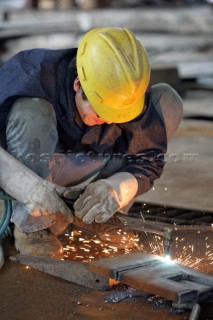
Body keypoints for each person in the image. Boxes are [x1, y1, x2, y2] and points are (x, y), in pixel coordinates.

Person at [0, 27, 183, 259]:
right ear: (78, 85)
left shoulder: (126, 90)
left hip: (91, 160)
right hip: (30, 165)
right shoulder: (28, 75)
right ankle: (34, 227)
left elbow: (148, 159)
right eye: (101, 112)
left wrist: (116, 188)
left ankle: (98, 213)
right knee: (33, 110)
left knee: (166, 101)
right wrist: (29, 189)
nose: (107, 120)